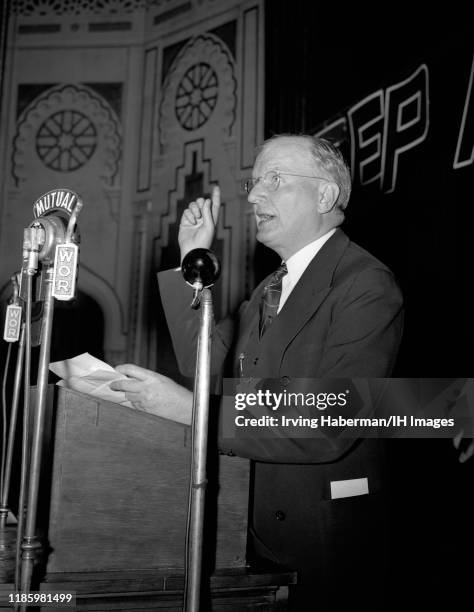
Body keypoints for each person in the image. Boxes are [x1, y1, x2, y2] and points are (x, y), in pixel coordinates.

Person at [111, 135, 404, 610]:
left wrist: (194, 413)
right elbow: (200, 362)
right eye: (254, 181)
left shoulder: (365, 283)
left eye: (274, 180)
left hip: (320, 546)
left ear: (325, 196)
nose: (252, 196)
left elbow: (331, 419)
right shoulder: (269, 288)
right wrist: (192, 258)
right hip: (246, 535)